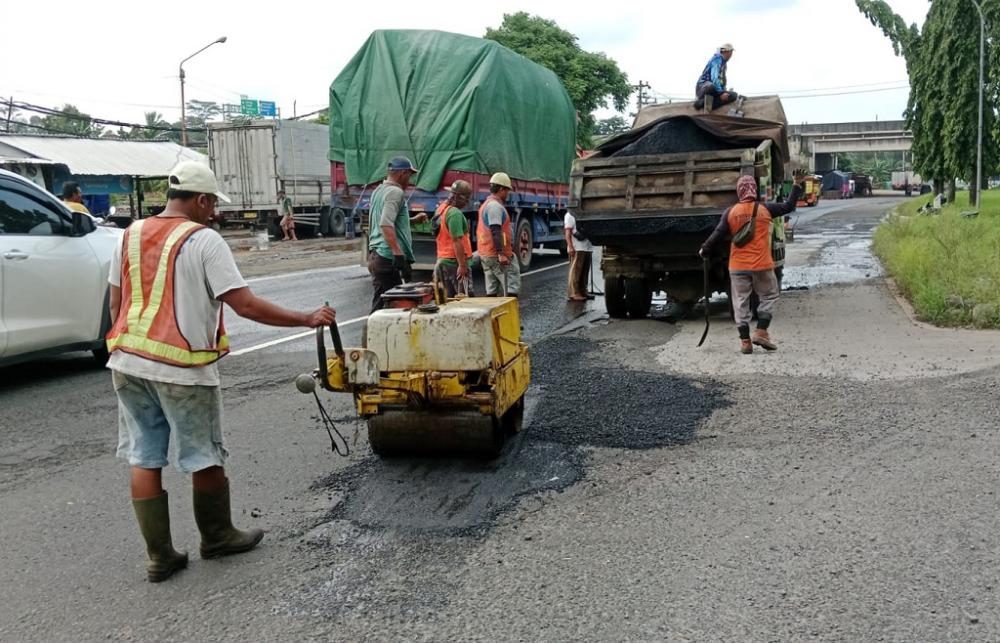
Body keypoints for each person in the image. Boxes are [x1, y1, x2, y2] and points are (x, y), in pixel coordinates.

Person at [106, 161, 336, 583]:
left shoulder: (129, 234)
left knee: (144, 456)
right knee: (203, 454)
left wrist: (129, 345)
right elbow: (244, 304)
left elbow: (116, 303)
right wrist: (306, 319)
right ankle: (217, 536)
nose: (213, 213)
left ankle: (160, 556)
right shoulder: (204, 240)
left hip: (127, 361)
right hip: (181, 367)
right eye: (211, 205)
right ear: (202, 199)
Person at [699, 175, 802, 354]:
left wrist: (704, 250)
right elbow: (789, 206)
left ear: (739, 191)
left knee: (740, 301)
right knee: (769, 295)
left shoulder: (730, 212)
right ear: (754, 190)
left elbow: (717, 235)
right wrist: (796, 185)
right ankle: (761, 331)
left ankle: (745, 342)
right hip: (762, 265)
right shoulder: (765, 209)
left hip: (738, 267)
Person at [366, 156, 428, 312]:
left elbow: (388, 222)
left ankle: (371, 335)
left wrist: (413, 220)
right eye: (409, 175)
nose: (410, 179)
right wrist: (398, 255)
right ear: (403, 173)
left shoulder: (379, 191)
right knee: (399, 305)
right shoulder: (395, 192)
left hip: (377, 256)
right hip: (387, 258)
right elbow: (385, 224)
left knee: (381, 304)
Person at [476, 172, 521, 297]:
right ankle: (510, 313)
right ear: (501, 189)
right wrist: (501, 254)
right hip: (497, 255)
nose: (508, 194)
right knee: (511, 284)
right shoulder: (494, 206)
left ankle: (492, 315)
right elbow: (495, 230)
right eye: (507, 190)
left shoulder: (486, 204)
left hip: (486, 253)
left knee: (491, 288)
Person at [433, 180, 474, 298]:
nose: (467, 202)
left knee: (447, 301)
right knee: (465, 300)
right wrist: (462, 265)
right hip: (454, 263)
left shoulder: (441, 209)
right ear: (460, 197)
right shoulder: (455, 214)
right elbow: (457, 241)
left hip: (442, 261)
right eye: (467, 198)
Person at [694, 44, 738, 111]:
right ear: (725, 52)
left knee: (733, 95)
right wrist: (721, 93)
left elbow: (722, 81)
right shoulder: (717, 59)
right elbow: (714, 78)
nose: (731, 55)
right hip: (704, 87)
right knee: (711, 86)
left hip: (715, 90)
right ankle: (700, 101)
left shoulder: (724, 64)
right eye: (730, 53)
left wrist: (723, 92)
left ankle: (704, 104)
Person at [563, 210, 593, 302]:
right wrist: (571, 247)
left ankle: (583, 291)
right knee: (575, 272)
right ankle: (574, 293)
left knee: (584, 272)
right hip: (577, 248)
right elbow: (567, 233)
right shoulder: (570, 215)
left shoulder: (585, 214)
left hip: (587, 247)